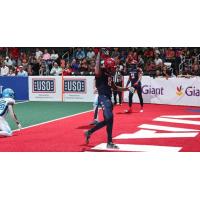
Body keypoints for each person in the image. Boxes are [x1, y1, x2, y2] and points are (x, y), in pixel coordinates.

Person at [84, 50, 134, 149]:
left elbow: (115, 88)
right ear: (108, 67)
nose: (114, 69)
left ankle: (89, 132)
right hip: (103, 97)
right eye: (113, 68)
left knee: (108, 120)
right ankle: (109, 142)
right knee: (109, 119)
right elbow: (97, 68)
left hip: (108, 98)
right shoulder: (100, 73)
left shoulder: (109, 75)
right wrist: (98, 54)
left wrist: (127, 88)